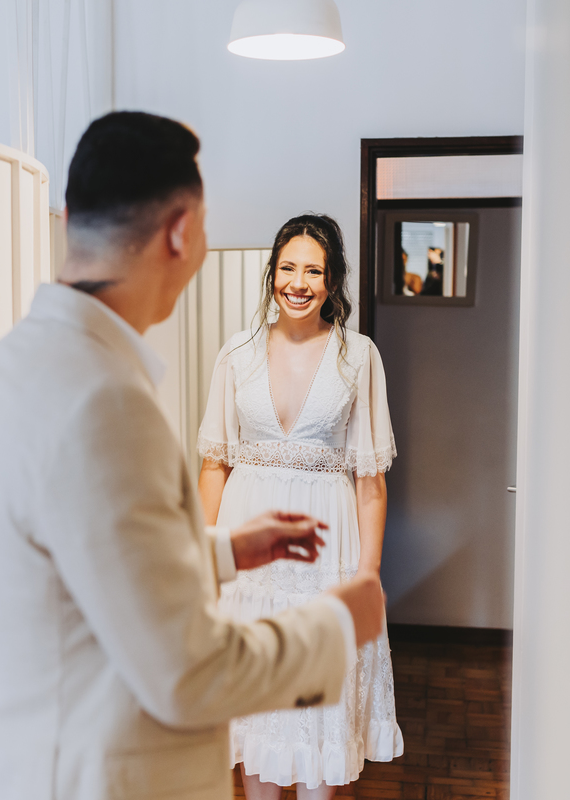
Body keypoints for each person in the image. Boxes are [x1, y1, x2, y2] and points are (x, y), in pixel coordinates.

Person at [0, 112, 387, 800]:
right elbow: (187, 673)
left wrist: (226, 550)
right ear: (182, 233)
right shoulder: (105, 402)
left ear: (71, 219)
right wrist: (337, 626)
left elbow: (91, 563)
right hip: (98, 777)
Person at [197, 214, 403, 799]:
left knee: (318, 725)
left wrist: (368, 576)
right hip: (248, 561)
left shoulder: (357, 356)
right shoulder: (237, 353)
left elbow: (370, 481)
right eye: (288, 267)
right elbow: (214, 467)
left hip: (325, 557)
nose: (298, 282)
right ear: (273, 273)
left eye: (314, 271)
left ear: (332, 280)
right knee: (253, 720)